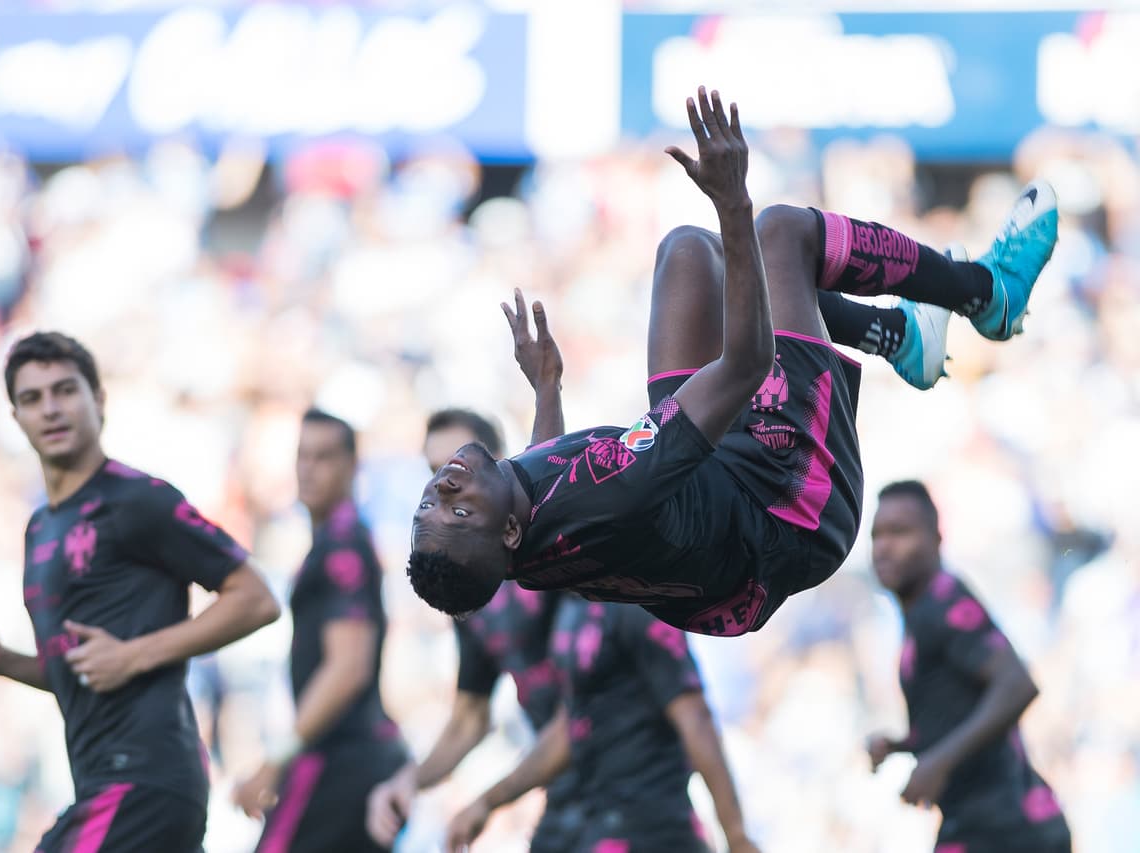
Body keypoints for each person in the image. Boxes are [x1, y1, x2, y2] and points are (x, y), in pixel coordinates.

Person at [407, 86, 1058, 636]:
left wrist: (547, 388)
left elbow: (541, 485)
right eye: (459, 511)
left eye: (428, 505)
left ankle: (898, 335)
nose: (444, 489)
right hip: (790, 509)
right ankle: (988, 293)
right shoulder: (608, 490)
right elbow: (747, 361)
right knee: (777, 234)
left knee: (689, 256)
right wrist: (733, 201)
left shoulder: (514, 539)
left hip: (715, 519)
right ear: (509, 533)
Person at [0, 331, 281, 852]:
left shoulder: (139, 500)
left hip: (145, 779)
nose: (51, 409)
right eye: (32, 399)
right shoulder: (39, 528)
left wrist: (134, 655)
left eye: (65, 390)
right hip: (106, 782)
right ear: (16, 419)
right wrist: (4, 661)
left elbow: (256, 597)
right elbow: (84, 669)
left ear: (98, 401)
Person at [367, 409, 586, 853]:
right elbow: (470, 717)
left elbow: (586, 714)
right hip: (568, 797)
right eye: (433, 470)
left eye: (458, 465)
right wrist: (408, 781)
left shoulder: (569, 553)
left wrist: (487, 801)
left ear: (500, 464)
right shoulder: (474, 593)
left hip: (637, 795)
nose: (444, 482)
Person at [444, 596, 759, 853]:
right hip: (585, 825)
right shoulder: (573, 606)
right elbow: (569, 727)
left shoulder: (638, 599)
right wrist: (488, 801)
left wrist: (736, 836)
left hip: (648, 828)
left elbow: (695, 716)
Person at [234, 409, 409, 853]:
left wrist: (275, 761)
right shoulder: (337, 539)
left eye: (324, 457)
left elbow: (348, 668)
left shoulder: (343, 546)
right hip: (361, 757)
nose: (308, 470)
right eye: (302, 457)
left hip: (342, 759)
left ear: (352, 466)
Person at [867, 480, 1072, 853]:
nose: (883, 547)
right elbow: (960, 715)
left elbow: (1018, 684)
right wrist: (902, 745)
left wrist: (937, 763)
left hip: (1005, 827)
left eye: (900, 532)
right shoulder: (921, 615)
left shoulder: (944, 603)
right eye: (877, 535)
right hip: (992, 823)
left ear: (936, 539)